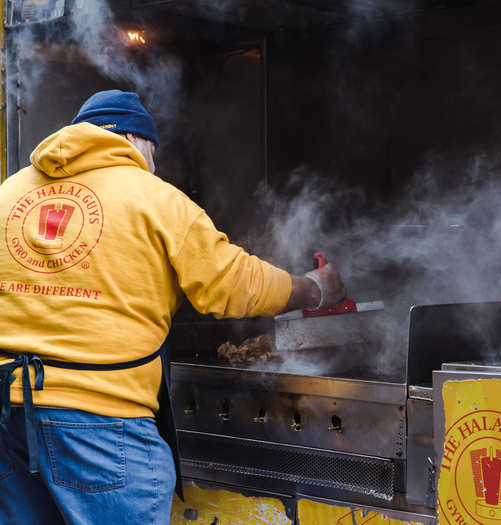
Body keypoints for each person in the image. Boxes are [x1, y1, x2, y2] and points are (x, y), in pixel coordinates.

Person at [0, 89, 345, 524]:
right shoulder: (153, 197)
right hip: (101, 424)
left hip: (7, 416)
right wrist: (312, 289)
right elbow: (234, 284)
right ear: (133, 138)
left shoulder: (9, 192)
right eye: (153, 152)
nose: (155, 165)